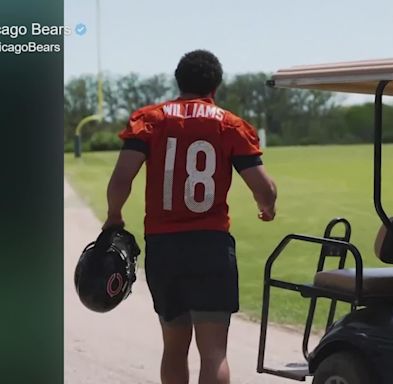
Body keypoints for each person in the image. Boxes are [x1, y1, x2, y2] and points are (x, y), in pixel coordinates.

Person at [102, 50, 277, 384]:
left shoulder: (149, 119)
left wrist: (114, 216)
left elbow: (122, 177)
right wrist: (267, 209)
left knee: (174, 348)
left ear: (178, 79)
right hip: (210, 245)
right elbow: (263, 188)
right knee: (214, 353)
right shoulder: (230, 124)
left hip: (164, 246)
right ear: (215, 86)